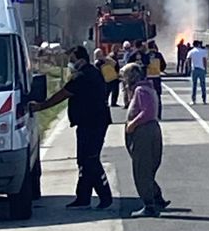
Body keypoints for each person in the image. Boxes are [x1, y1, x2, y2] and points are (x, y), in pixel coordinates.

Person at [32, 45, 113, 209]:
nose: (70, 63)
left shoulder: (84, 76)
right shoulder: (90, 72)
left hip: (93, 124)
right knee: (84, 161)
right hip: (88, 123)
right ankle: (83, 197)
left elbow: (63, 94)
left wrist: (41, 106)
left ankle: (105, 195)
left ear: (80, 59)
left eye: (72, 59)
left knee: (90, 160)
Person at [122, 62, 168, 216]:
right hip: (149, 130)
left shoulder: (141, 90)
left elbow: (146, 112)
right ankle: (156, 197)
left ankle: (149, 206)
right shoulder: (145, 88)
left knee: (142, 169)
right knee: (146, 169)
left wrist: (132, 124)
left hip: (144, 132)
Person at [145, 39, 166, 118]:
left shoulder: (145, 55)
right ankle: (158, 114)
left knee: (147, 97)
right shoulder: (158, 55)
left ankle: (149, 114)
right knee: (158, 97)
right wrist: (159, 69)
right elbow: (163, 66)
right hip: (156, 77)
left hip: (147, 78)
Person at [187, 40, 208, 104]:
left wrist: (189, 68)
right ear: (198, 44)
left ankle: (193, 100)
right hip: (201, 69)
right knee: (203, 85)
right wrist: (205, 69)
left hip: (194, 69)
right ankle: (204, 99)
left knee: (194, 85)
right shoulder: (203, 51)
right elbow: (204, 60)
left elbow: (188, 59)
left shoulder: (191, 52)